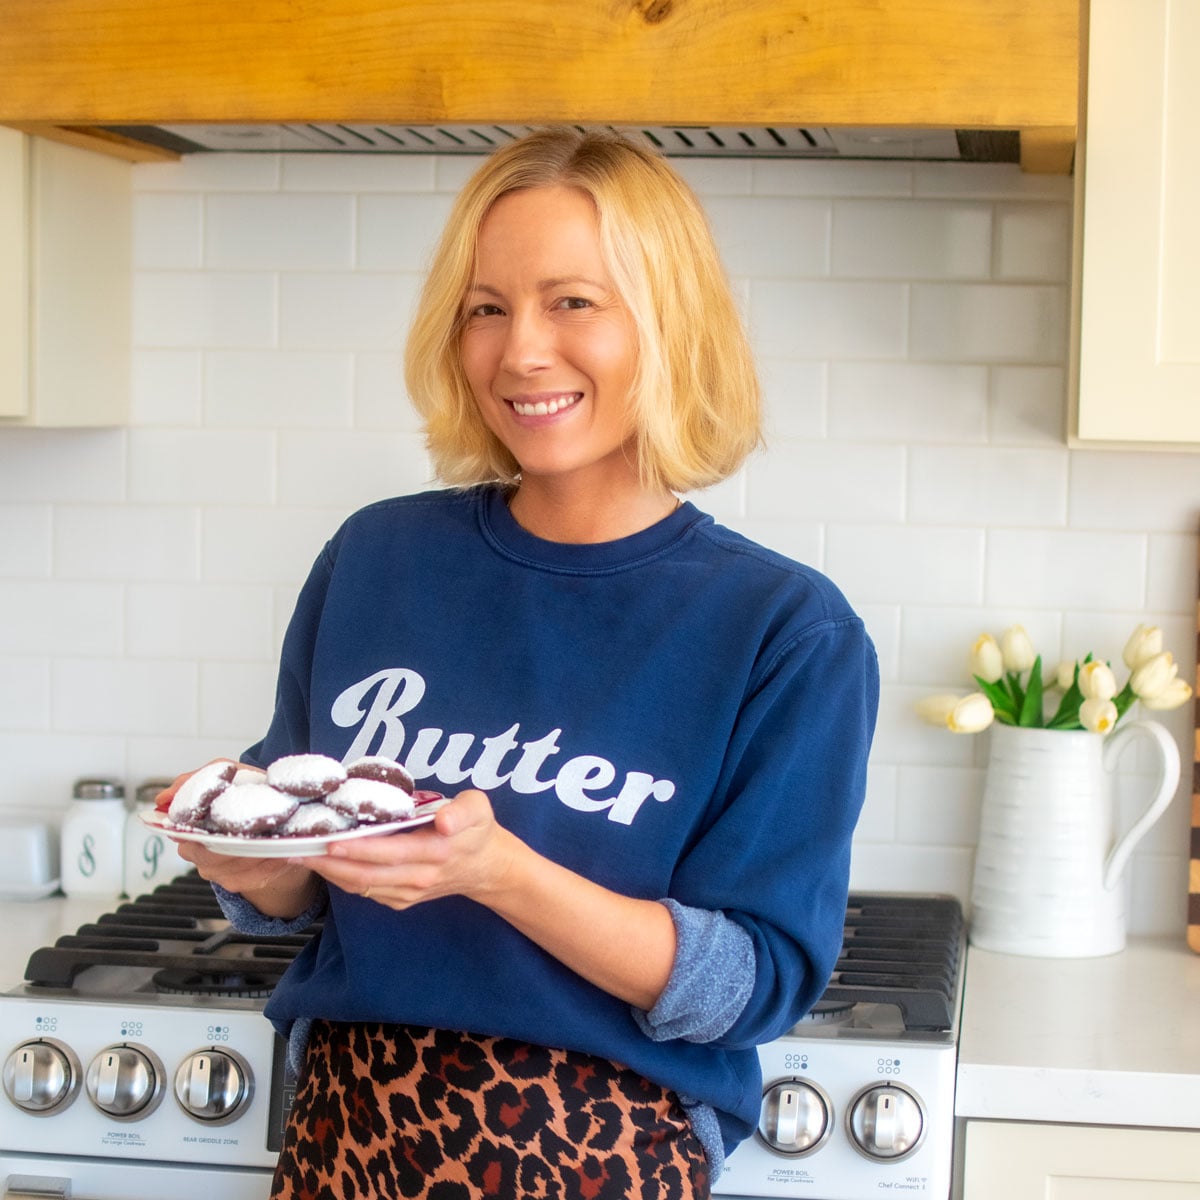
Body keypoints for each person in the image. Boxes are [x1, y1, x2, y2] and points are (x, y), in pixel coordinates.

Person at [165, 125, 879, 1200]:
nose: (521, 351)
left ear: (667, 323)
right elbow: (303, 867)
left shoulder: (783, 629)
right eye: (486, 308)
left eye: (572, 302)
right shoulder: (377, 557)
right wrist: (250, 869)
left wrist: (500, 875)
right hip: (345, 1131)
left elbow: (748, 986)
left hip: (598, 1147)